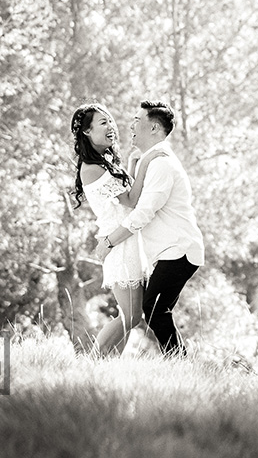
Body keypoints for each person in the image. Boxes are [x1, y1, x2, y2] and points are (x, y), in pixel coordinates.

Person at [97, 101, 205, 357]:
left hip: (180, 250)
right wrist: (135, 164)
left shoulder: (162, 163)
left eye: (137, 120)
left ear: (154, 127)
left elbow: (142, 212)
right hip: (170, 251)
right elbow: (135, 197)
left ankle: (179, 364)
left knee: (155, 309)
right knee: (156, 310)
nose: (131, 125)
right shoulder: (153, 160)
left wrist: (109, 242)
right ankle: (179, 363)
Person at [70, 103, 164, 357]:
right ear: (87, 132)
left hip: (128, 240)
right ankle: (93, 360)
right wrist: (147, 161)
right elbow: (132, 201)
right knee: (132, 316)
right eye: (103, 123)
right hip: (118, 243)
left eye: (110, 121)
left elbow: (127, 196)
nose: (111, 127)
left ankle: (109, 366)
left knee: (130, 315)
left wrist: (133, 164)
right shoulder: (92, 168)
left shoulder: (105, 163)